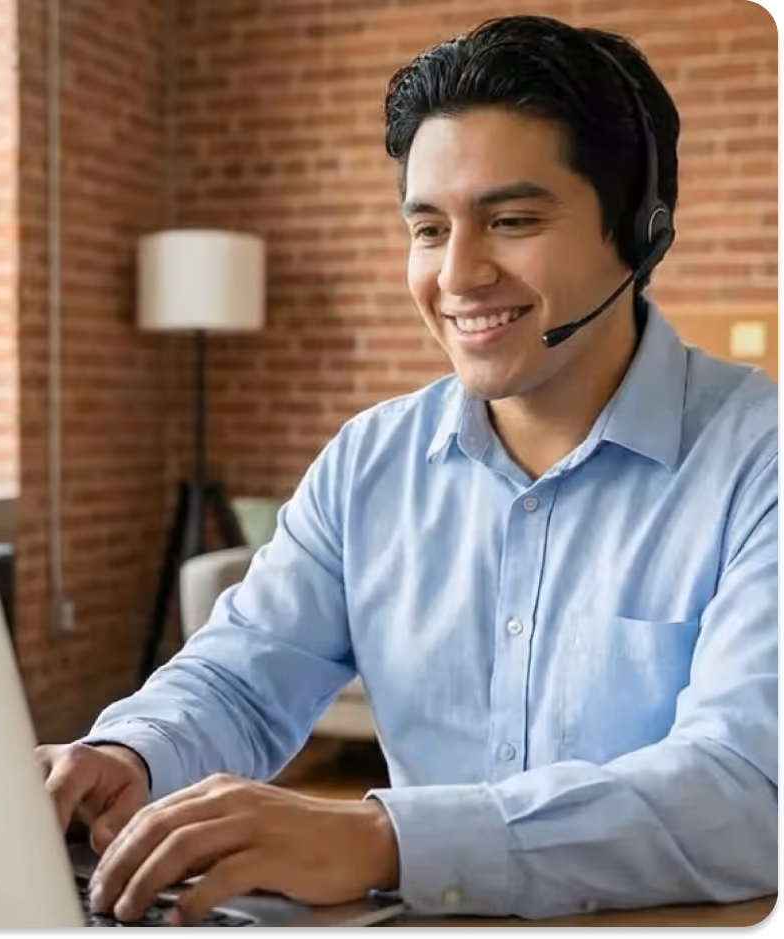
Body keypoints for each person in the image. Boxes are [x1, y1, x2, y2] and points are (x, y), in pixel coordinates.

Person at [38, 14, 777, 926]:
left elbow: (747, 788)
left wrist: (384, 840)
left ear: (639, 230)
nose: (456, 275)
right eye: (428, 228)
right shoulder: (370, 459)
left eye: (510, 220)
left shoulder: (757, 460)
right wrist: (129, 753)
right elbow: (240, 675)